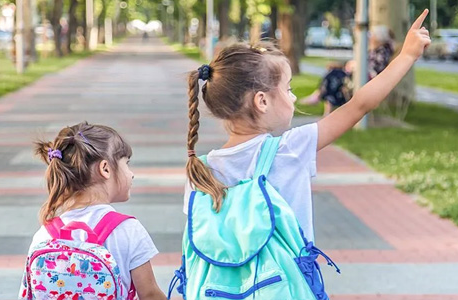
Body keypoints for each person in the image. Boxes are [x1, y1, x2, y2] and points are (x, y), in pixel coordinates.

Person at [176, 9, 432, 297]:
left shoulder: (200, 171)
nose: (294, 96)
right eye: (287, 89)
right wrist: (407, 55)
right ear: (262, 101)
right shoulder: (290, 149)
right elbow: (359, 105)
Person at [20, 123, 167, 300]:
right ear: (105, 169)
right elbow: (149, 294)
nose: (132, 174)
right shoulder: (128, 229)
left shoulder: (44, 235)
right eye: (126, 164)